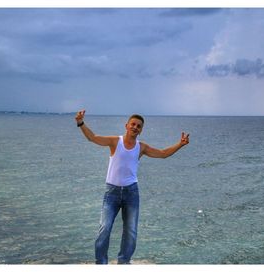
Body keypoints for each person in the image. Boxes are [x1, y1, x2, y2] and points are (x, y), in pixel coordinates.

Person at [75, 109, 190, 264]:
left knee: (131, 232)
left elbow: (163, 153)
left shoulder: (141, 147)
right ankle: (101, 263)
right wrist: (81, 123)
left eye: (139, 126)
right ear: (127, 125)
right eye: (133, 124)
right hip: (112, 193)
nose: (135, 127)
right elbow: (93, 138)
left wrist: (180, 144)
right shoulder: (115, 141)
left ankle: (124, 262)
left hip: (131, 193)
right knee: (104, 228)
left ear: (141, 130)